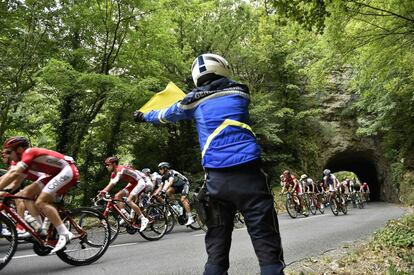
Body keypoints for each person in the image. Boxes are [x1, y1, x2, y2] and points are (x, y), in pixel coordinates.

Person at [133, 53, 284, 274]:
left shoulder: (190, 102)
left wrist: (143, 116)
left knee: (217, 249)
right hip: (250, 178)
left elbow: (164, 114)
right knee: (266, 244)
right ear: (223, 69)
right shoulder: (240, 92)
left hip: (217, 182)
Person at [0, 137, 79, 253]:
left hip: (67, 170)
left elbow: (14, 174)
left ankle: (65, 233)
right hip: (53, 175)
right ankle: (40, 230)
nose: (7, 155)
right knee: (25, 194)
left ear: (20, 149)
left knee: (41, 202)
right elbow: (12, 180)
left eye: (9, 151)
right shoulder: (17, 161)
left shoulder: (29, 152)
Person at [100, 157, 151, 232]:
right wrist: (101, 193)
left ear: (114, 164)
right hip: (133, 184)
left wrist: (104, 191)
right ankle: (126, 216)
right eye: (106, 165)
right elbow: (110, 183)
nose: (106, 166)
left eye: (108, 165)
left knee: (129, 200)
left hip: (140, 182)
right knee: (117, 196)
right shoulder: (113, 173)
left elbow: (115, 182)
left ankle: (143, 219)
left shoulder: (120, 169)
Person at [157, 162, 194, 226]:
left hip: (184, 184)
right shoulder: (164, 177)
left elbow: (170, 182)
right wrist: (155, 194)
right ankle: (178, 207)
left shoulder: (171, 172)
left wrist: (163, 190)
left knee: (183, 199)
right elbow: (161, 186)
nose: (159, 170)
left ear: (165, 168)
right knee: (168, 192)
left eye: (160, 168)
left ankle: (190, 218)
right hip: (177, 187)